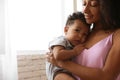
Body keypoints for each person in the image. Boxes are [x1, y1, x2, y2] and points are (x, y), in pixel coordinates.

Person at [46, 0, 120, 80]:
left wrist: (61, 63)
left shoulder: (117, 35)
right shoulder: (82, 35)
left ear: (108, 7)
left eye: (93, 5)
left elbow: (107, 76)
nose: (85, 10)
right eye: (84, 4)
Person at [46, 11, 90, 80]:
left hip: (68, 72)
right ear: (66, 30)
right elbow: (58, 55)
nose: (80, 36)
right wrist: (74, 52)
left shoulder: (75, 45)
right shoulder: (62, 40)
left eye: (84, 34)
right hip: (57, 72)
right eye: (77, 30)